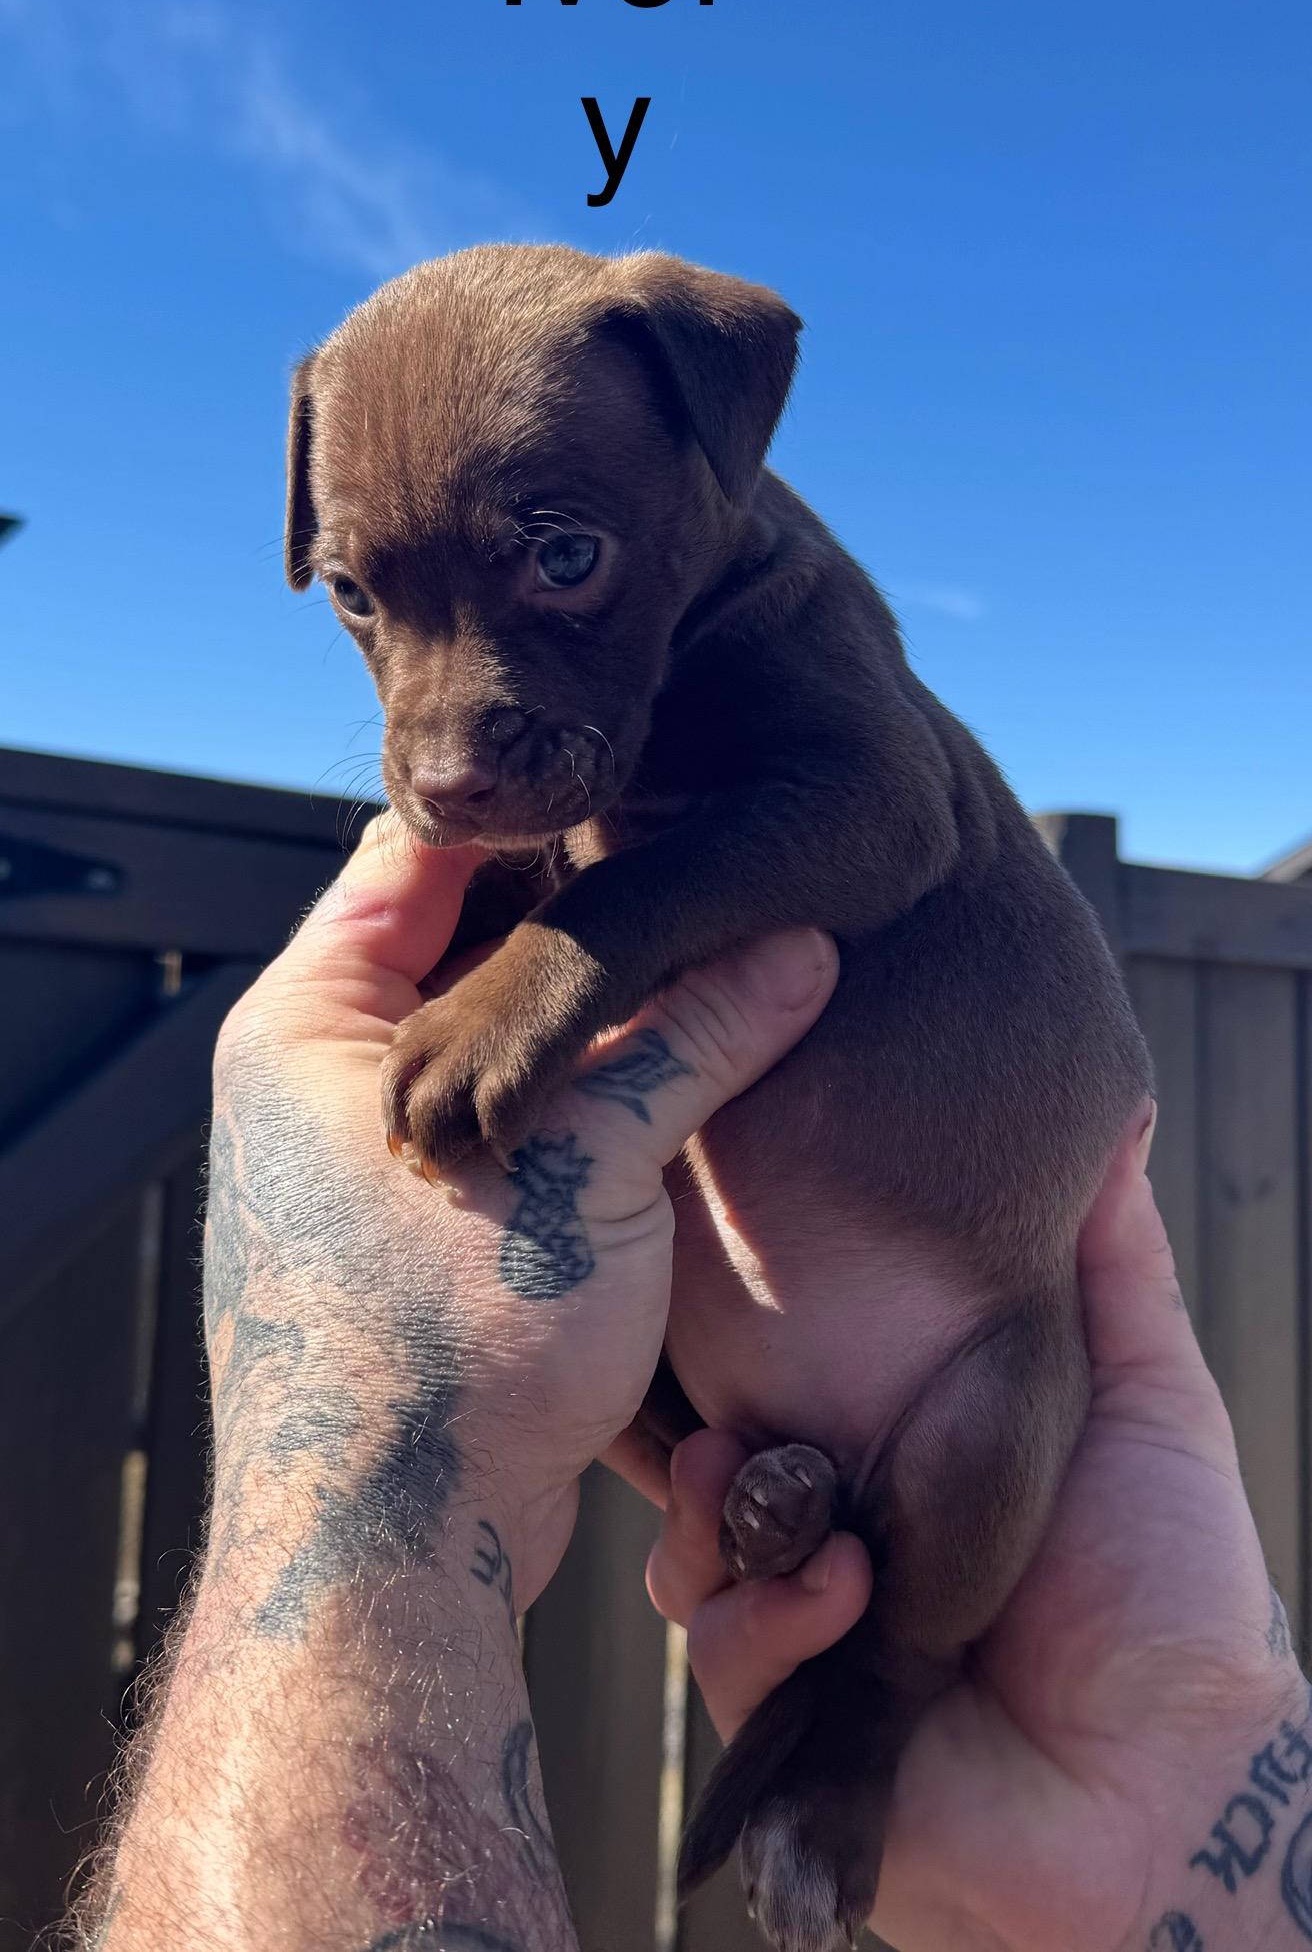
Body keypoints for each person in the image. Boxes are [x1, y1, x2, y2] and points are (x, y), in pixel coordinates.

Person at [75, 819, 1308, 1952]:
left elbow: (873, 811)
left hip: (959, 1373)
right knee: (741, 1501)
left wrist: (364, 1467)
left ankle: (869, 1707)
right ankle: (861, 1701)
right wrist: (1162, 1836)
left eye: (567, 557)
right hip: (738, 1370)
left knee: (888, 1545)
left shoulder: (810, 680)